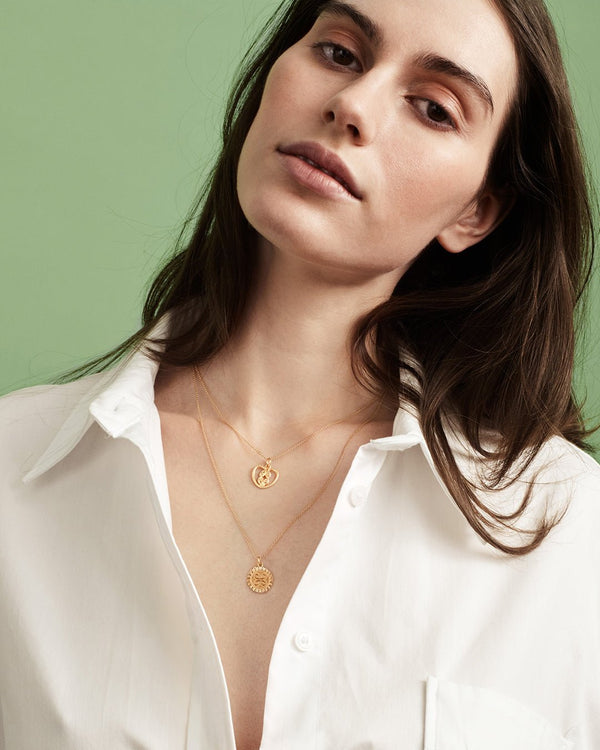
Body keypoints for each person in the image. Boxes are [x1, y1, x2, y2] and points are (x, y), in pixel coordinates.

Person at [1, 0, 598, 748]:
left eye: (433, 108)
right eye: (340, 53)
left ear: (475, 211)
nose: (352, 106)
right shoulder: (13, 475)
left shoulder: (573, 536)